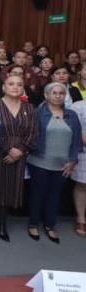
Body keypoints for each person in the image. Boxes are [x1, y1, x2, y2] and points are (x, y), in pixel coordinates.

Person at [0, 74, 37, 243]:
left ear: (23, 89)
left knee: (9, 190)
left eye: (19, 84)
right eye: (11, 84)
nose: (15, 87)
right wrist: (8, 149)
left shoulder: (29, 108)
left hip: (19, 156)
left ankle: (2, 224)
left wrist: (19, 150)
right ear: (4, 87)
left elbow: (34, 133)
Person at [26, 82, 81, 243]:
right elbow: (30, 137)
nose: (57, 96)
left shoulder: (72, 115)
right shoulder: (37, 113)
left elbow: (76, 140)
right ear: (46, 95)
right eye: (54, 93)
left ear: (65, 96)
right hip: (39, 161)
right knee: (37, 194)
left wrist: (73, 160)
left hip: (63, 164)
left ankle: (50, 225)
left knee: (54, 196)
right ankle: (33, 224)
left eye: (61, 93)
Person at [70, 99, 86, 237]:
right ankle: (81, 218)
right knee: (83, 185)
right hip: (84, 151)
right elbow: (75, 131)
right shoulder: (78, 106)